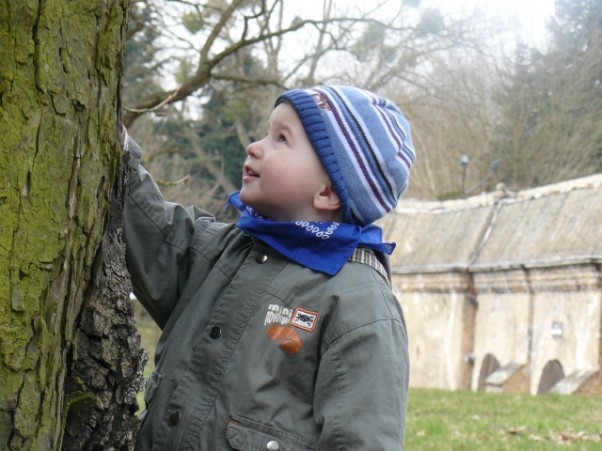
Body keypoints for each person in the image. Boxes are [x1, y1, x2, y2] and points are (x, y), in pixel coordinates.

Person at [123, 85, 416, 450]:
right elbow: (155, 236)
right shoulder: (224, 251)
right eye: (266, 131)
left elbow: (364, 439)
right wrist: (117, 149)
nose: (255, 146)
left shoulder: (359, 303)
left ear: (328, 191)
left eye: (281, 139)